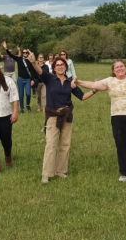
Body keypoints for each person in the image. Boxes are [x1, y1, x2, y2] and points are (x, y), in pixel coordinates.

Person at [28, 52, 92, 184]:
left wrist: (95, 90)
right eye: (57, 65)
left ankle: (60, 171)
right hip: (53, 115)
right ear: (53, 67)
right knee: (51, 144)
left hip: (67, 116)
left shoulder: (70, 83)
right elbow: (40, 71)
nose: (60, 67)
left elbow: (82, 97)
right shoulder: (50, 79)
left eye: (62, 65)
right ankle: (46, 174)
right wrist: (34, 62)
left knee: (65, 145)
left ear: (66, 67)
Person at [2, 41, 35, 113]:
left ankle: (28, 105)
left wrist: (32, 79)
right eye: (24, 52)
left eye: (26, 52)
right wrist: (6, 48)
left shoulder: (30, 60)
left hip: (28, 79)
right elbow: (11, 55)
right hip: (20, 79)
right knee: (21, 94)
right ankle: (22, 109)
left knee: (28, 93)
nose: (25, 54)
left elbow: (32, 70)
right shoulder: (19, 59)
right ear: (22, 53)